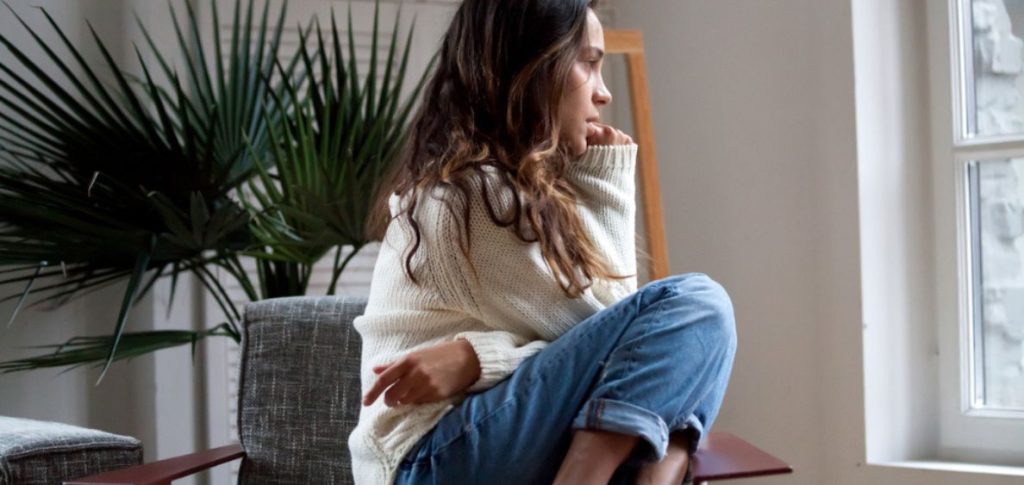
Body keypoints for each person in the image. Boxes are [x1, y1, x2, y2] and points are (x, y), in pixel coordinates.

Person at [347, 1, 738, 484]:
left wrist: (477, 359)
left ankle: (659, 467)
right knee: (700, 306)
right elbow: (625, 331)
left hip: (473, 446)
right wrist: (608, 181)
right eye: (590, 64)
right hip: (428, 459)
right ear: (534, 67)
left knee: (688, 357)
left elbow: (629, 352)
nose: (604, 93)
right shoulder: (469, 197)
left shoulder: (514, 190)